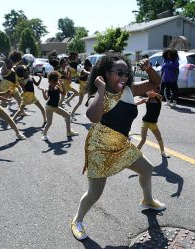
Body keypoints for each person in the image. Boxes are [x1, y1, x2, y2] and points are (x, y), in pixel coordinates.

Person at [71, 53, 166, 241]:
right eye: (118, 72)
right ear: (106, 73)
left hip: (122, 145)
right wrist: (100, 90)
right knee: (95, 194)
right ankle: (77, 221)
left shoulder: (129, 90)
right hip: (100, 149)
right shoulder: (97, 94)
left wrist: (148, 68)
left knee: (147, 169)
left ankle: (147, 200)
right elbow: (93, 117)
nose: (123, 77)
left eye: (126, 73)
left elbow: (155, 83)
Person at [39, 71, 79, 141]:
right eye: (57, 79)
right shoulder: (51, 87)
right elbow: (46, 98)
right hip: (49, 107)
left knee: (67, 116)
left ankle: (69, 132)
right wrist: (43, 91)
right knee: (49, 122)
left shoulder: (56, 86)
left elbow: (63, 93)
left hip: (55, 107)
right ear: (53, 80)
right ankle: (44, 134)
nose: (49, 82)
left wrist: (62, 84)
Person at [136, 87, 170, 158]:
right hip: (145, 122)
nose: (150, 92)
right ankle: (135, 153)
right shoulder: (146, 100)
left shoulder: (159, 99)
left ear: (157, 91)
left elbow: (161, 96)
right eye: (149, 90)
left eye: (153, 90)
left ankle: (163, 152)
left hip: (153, 124)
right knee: (143, 139)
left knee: (159, 138)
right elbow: (135, 104)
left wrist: (155, 94)